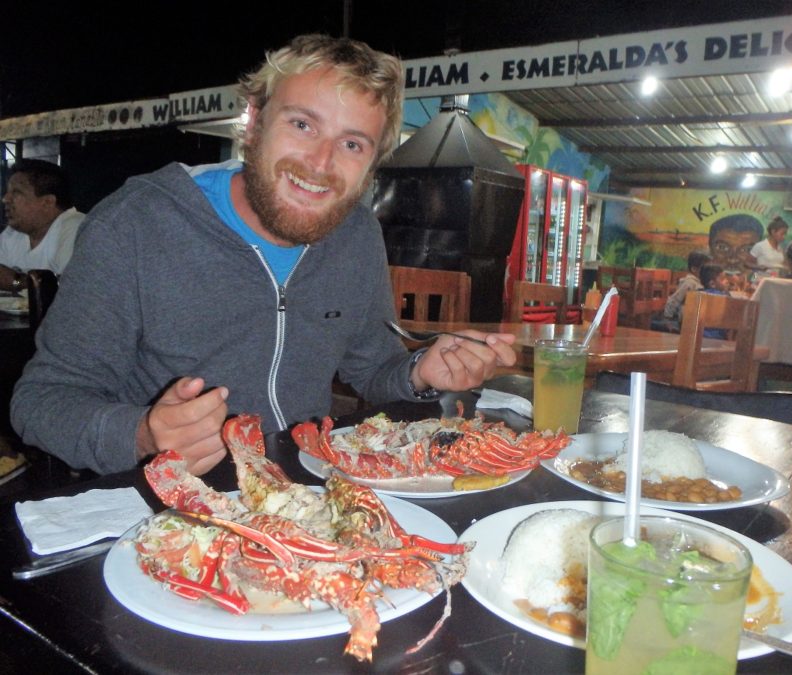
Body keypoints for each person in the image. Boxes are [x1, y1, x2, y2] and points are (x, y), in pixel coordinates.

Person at [11, 34, 517, 476]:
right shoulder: (137, 223)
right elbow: (41, 401)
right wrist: (142, 434)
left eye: (352, 144)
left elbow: (373, 370)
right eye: (302, 125)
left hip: (310, 489)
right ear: (253, 121)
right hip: (173, 501)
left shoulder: (357, 234)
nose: (320, 164)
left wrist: (420, 373)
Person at [0, 159, 84, 293]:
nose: (5, 199)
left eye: (16, 192)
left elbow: (71, 291)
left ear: (47, 202)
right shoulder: (13, 232)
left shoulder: (76, 228)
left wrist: (17, 282)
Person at [660, 250, 710, 327]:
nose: (707, 272)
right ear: (694, 269)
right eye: (705, 269)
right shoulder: (689, 283)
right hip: (685, 322)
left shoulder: (702, 282)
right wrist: (668, 318)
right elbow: (674, 300)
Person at [698, 262, 730, 339]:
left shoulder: (698, 294)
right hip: (717, 339)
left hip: (697, 336)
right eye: (723, 279)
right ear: (712, 284)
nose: (727, 281)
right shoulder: (723, 298)